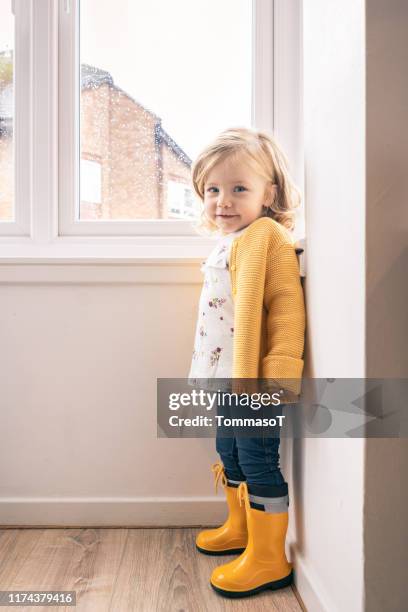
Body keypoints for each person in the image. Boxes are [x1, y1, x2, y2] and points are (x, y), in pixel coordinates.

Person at [187, 127, 306, 598]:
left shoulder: (267, 237)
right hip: (225, 378)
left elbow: (285, 307)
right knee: (230, 450)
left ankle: (268, 557)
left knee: (258, 458)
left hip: (253, 381)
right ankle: (241, 529)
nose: (223, 200)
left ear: (268, 193)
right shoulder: (231, 239)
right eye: (212, 190)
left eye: (239, 188)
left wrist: (276, 376)